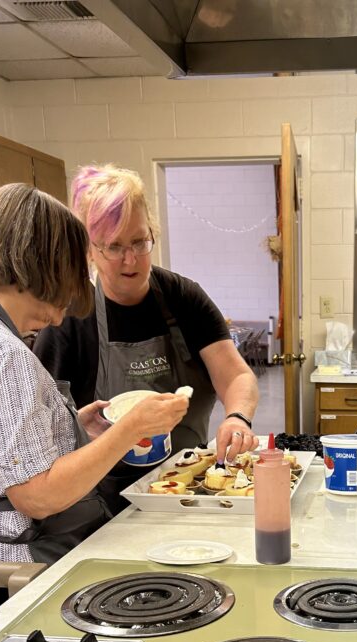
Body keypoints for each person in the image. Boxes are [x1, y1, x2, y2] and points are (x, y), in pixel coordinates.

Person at [0, 183, 189, 609]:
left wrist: (72, 427)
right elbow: (38, 496)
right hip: (20, 569)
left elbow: (2, 450)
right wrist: (130, 429)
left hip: (5, 561)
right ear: (41, 265)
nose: (65, 306)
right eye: (70, 275)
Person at [32, 163, 259, 514]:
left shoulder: (182, 297)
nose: (130, 259)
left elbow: (236, 375)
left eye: (140, 241)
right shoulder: (69, 318)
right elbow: (41, 429)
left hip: (189, 487)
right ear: (89, 250)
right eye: (114, 247)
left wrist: (237, 418)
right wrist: (78, 430)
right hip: (100, 505)